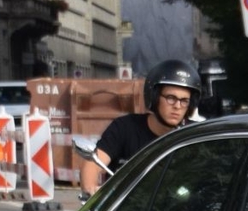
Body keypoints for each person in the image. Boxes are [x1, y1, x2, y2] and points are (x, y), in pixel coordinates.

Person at [82, 60, 197, 192]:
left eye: (184, 101)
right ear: (154, 97)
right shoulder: (124, 128)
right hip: (127, 208)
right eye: (171, 98)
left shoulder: (195, 135)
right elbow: (93, 163)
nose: (177, 106)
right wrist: (91, 189)